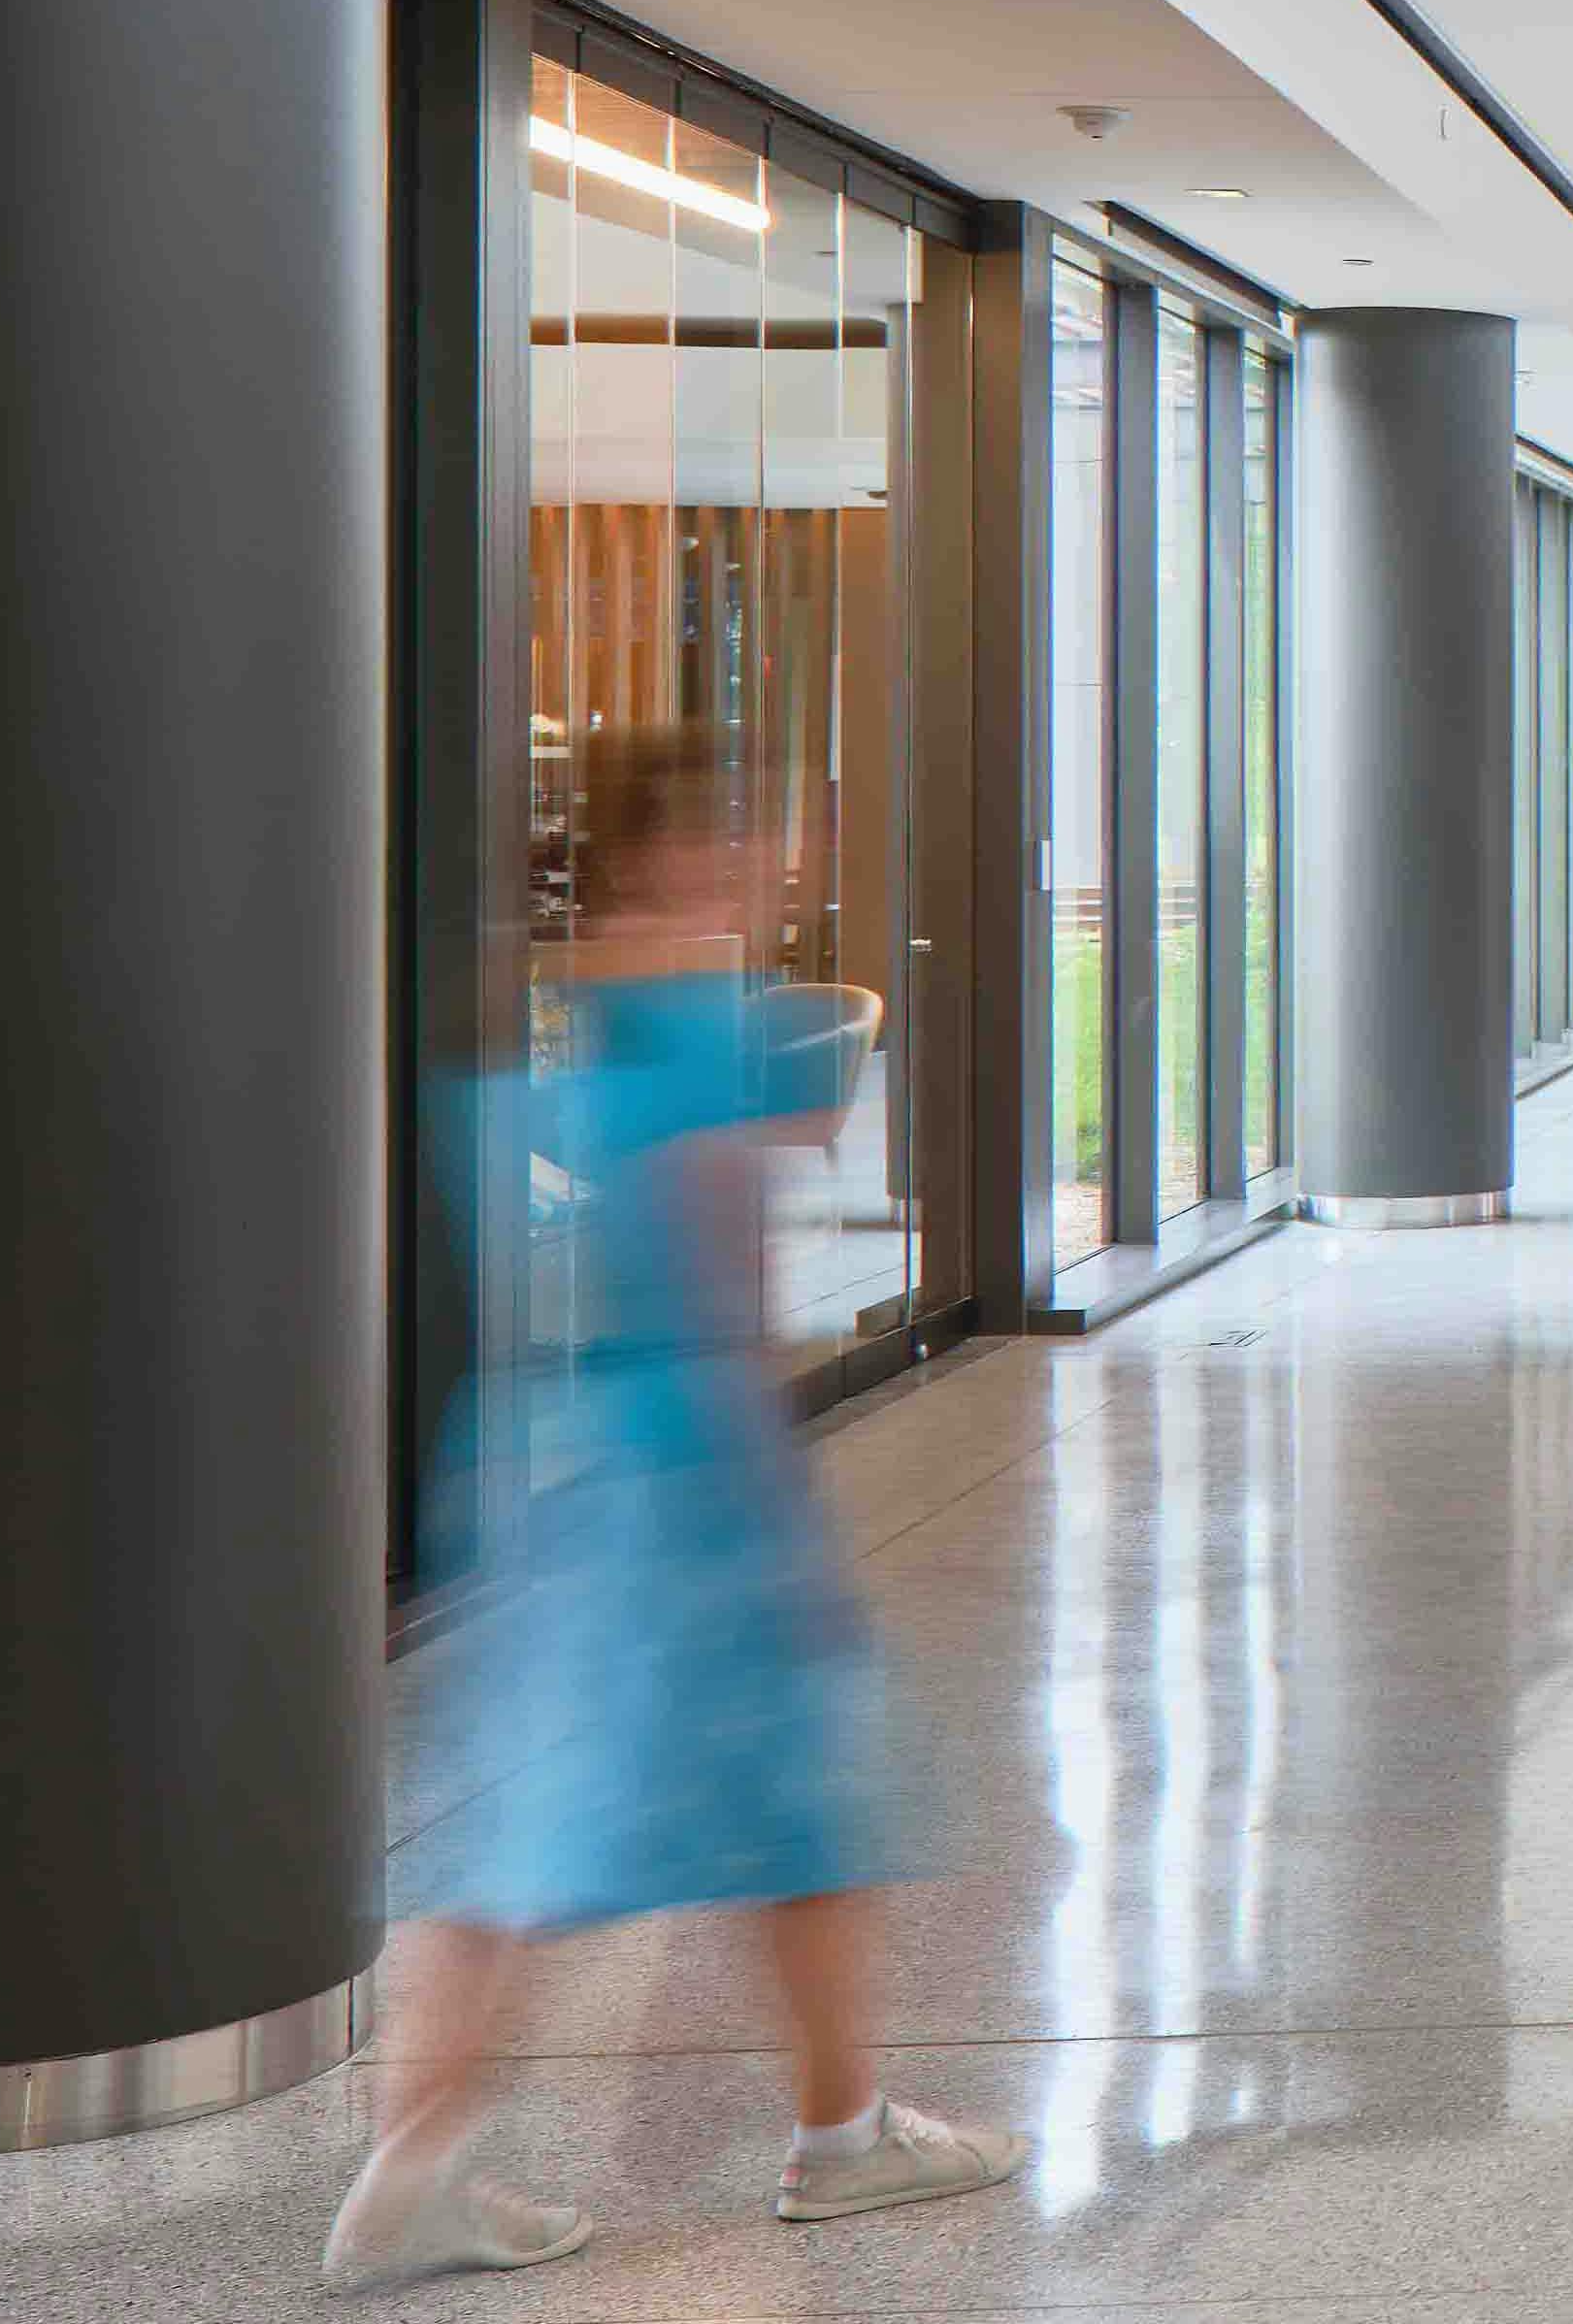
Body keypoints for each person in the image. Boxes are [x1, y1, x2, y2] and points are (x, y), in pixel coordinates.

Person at [328, 735, 1026, 2285]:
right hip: (683, 1476)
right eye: (748, 829)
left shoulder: (541, 1031)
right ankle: (838, 2140)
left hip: (547, 1447)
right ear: (679, 851)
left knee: (539, 1816)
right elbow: (717, 1280)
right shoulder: (700, 1025)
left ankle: (418, 2163)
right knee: (794, 1794)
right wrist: (780, 1516)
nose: (772, 856)